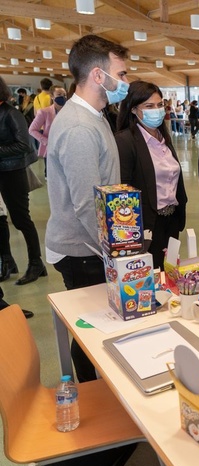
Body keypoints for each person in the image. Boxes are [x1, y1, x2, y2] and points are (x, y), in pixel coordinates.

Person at [46, 34, 129, 383]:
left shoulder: (95, 115)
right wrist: (115, 254)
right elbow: (86, 205)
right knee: (92, 337)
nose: (125, 82)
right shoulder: (80, 127)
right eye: (121, 74)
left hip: (92, 246)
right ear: (99, 76)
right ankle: (99, 404)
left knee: (99, 330)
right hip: (83, 250)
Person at [115, 81, 187, 268]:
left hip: (171, 221)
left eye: (159, 105)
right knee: (150, 277)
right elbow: (125, 189)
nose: (156, 110)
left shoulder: (163, 138)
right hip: (146, 225)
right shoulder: (126, 141)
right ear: (133, 109)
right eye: (149, 106)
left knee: (169, 273)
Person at [0, 76, 46, 286]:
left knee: (21, 220)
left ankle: (36, 263)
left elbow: (24, 145)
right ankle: (8, 261)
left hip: (13, 173)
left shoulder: (11, 113)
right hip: (3, 172)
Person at [29, 85, 67, 177]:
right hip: (51, 149)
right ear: (52, 96)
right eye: (59, 94)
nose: (62, 97)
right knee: (52, 176)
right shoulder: (44, 112)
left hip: (66, 148)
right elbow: (32, 130)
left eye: (64, 95)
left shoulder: (70, 111)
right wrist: (46, 141)